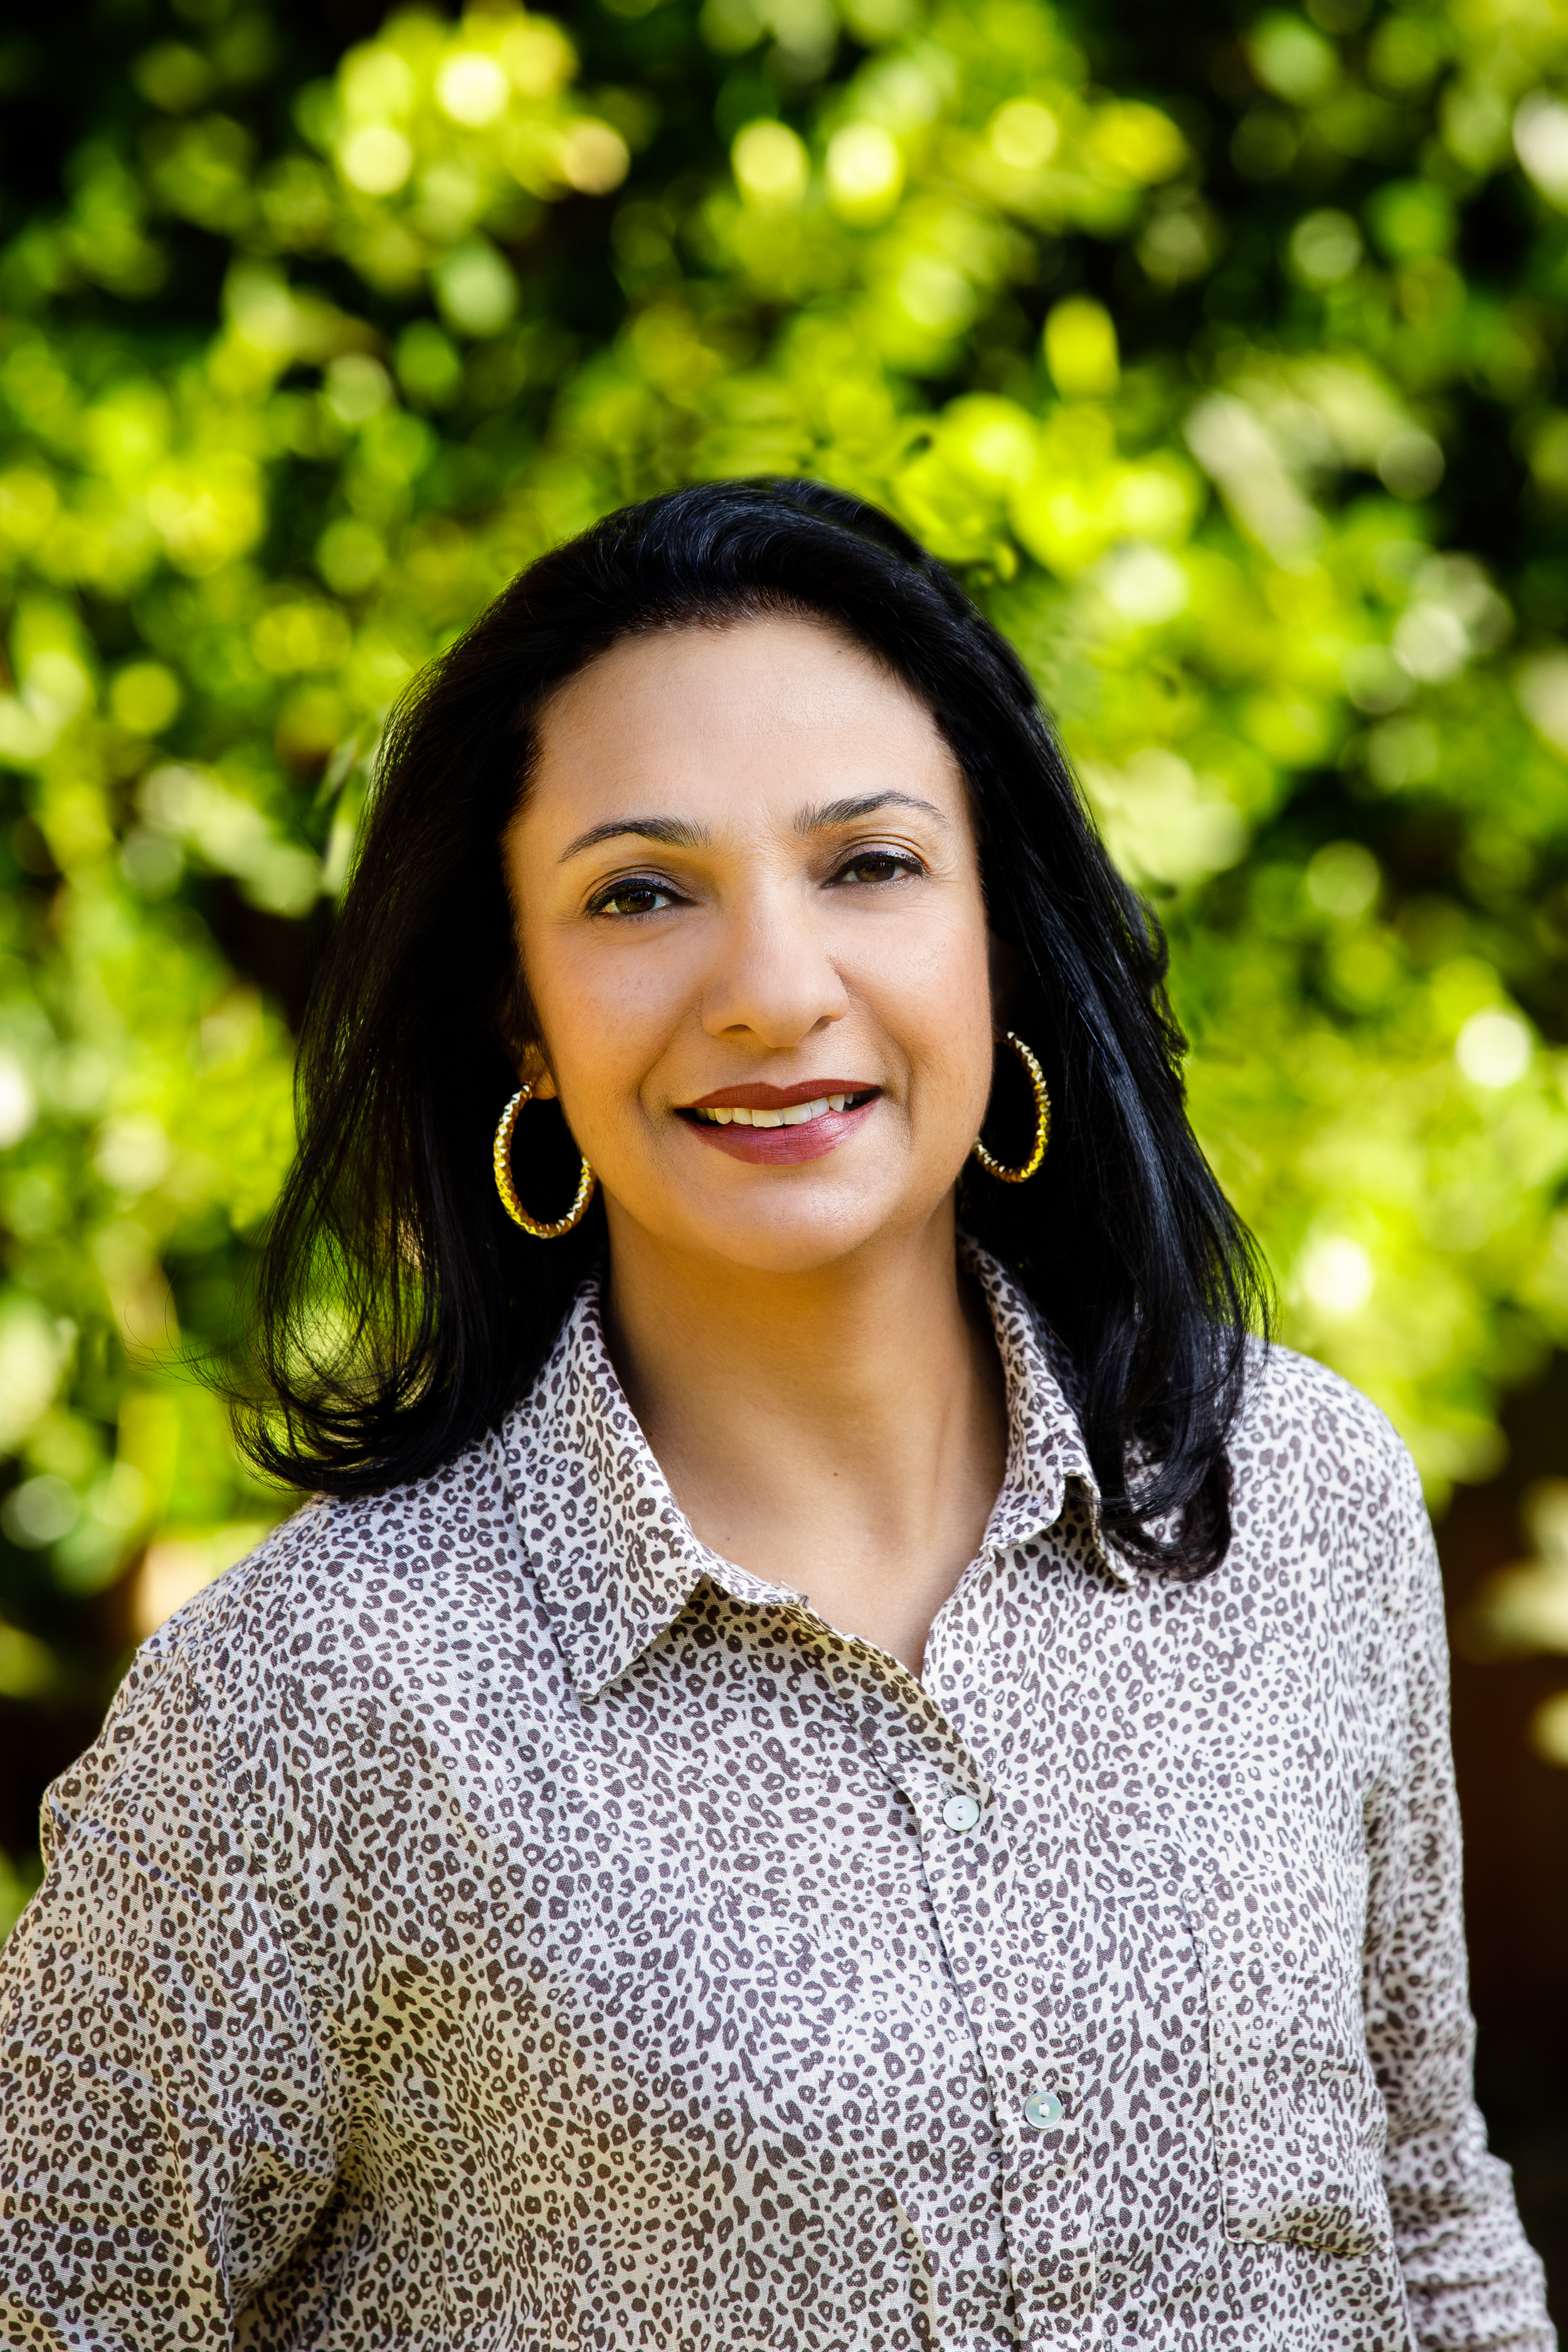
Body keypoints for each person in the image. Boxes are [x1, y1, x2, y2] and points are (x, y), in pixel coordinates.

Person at [0, 480, 1552, 2352]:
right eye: (639, 893)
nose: (771, 989)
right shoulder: (320, 1697)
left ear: (997, 930)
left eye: (869, 866)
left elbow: (1426, 2219)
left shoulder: (1295, 1495)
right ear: (523, 1016)